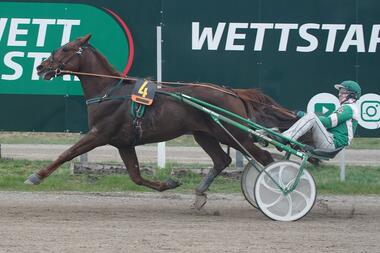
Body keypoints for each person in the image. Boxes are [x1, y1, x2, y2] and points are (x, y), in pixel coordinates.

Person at [279, 80, 361, 151]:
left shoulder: (349, 109)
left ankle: (287, 138)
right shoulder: (348, 108)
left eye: (342, 92)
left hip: (331, 143)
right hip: (330, 140)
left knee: (312, 117)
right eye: (339, 92)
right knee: (311, 120)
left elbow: (328, 122)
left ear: (352, 95)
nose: (339, 94)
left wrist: (304, 115)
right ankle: (287, 137)